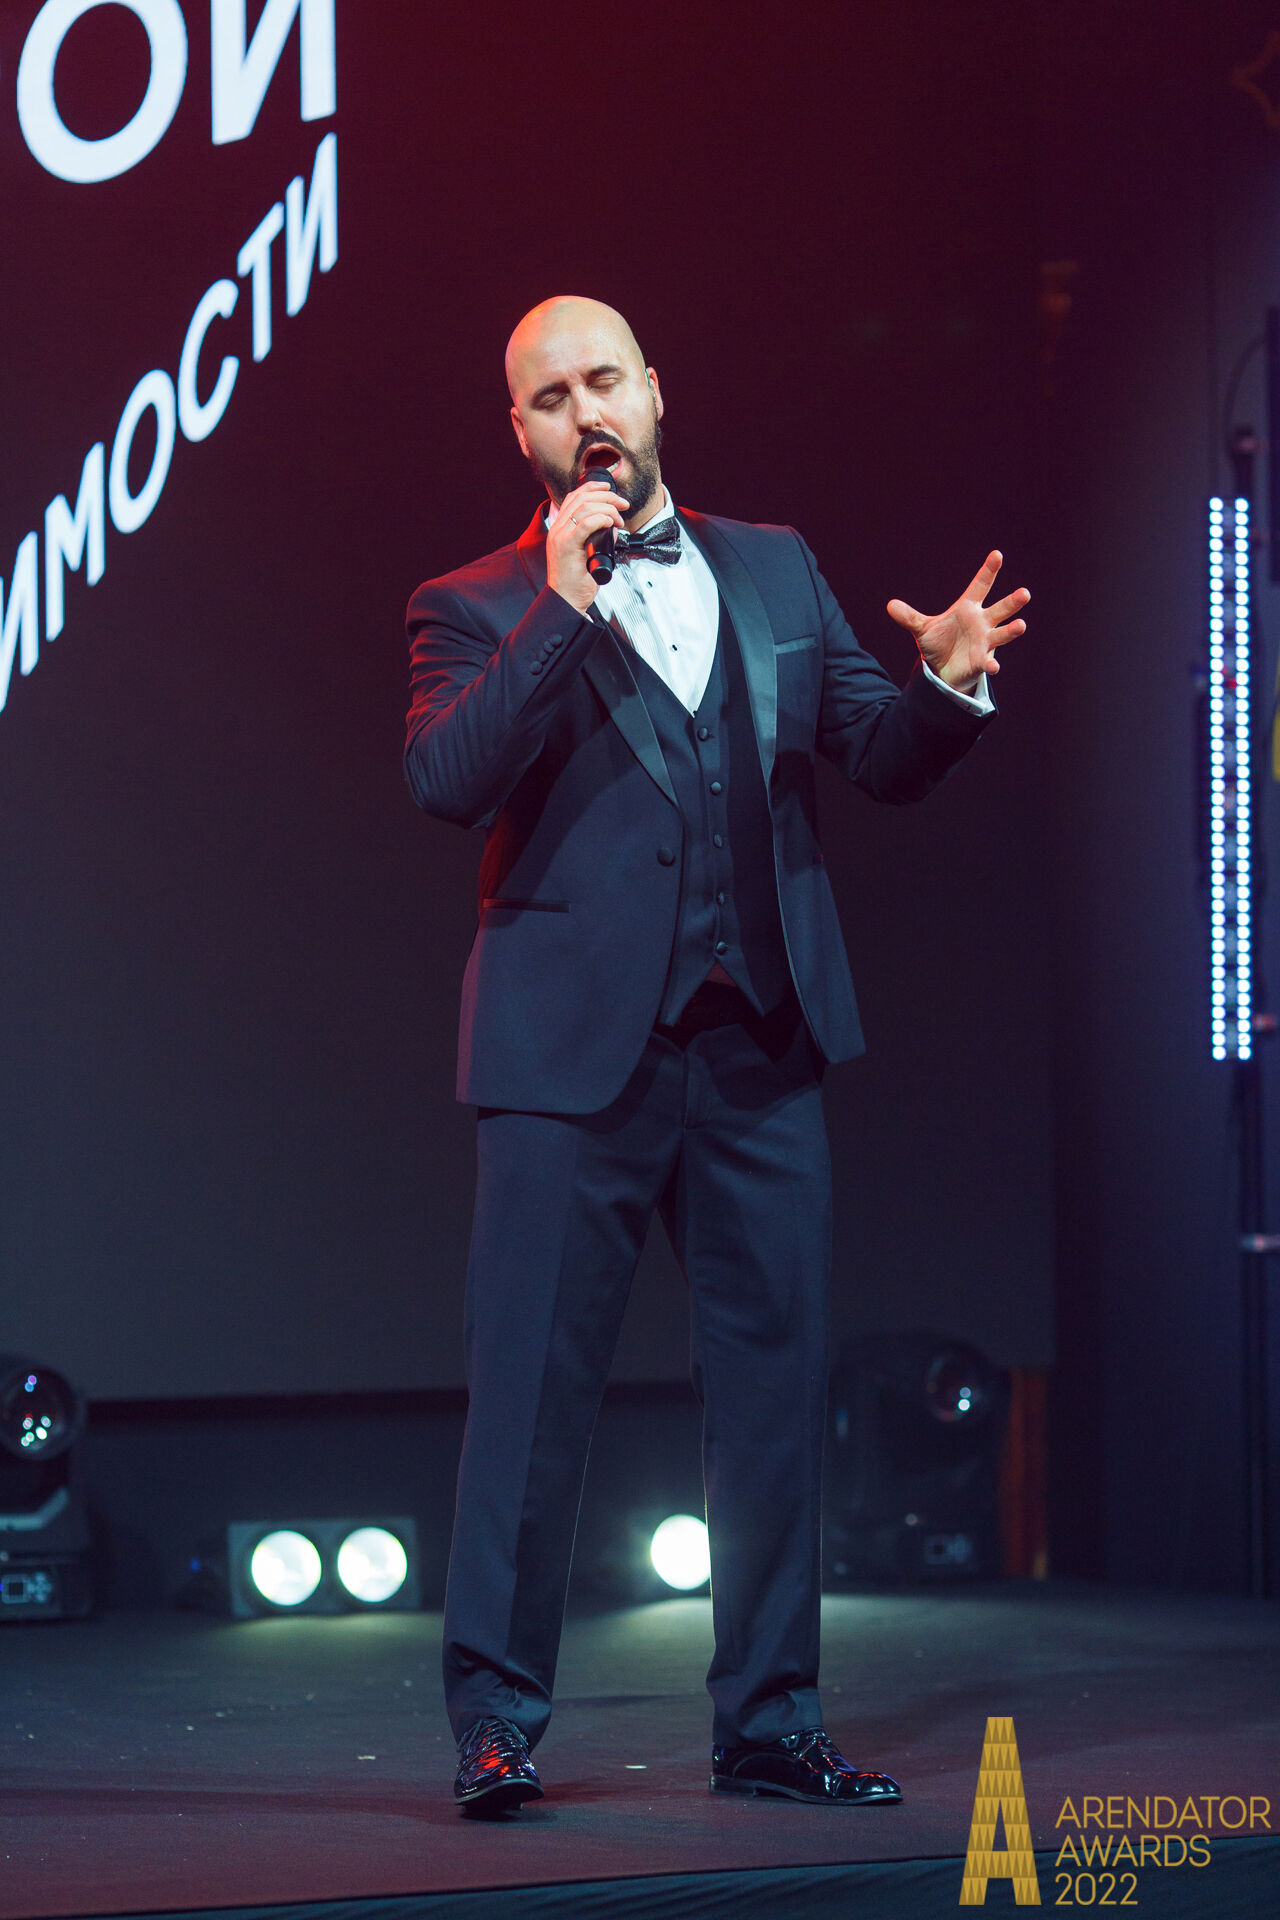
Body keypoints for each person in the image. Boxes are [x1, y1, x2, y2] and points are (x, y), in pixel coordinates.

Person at [403, 296, 1028, 1815]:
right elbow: (446, 776)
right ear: (521, 433)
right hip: (569, 1066)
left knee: (769, 1400)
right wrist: (561, 607)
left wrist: (946, 686)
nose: (586, 414)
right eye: (551, 397)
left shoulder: (773, 566)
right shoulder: (473, 601)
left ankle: (768, 1720)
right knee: (530, 1406)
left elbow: (875, 755)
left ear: (655, 392)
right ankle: (496, 1724)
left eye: (604, 380)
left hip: (759, 1044)